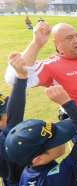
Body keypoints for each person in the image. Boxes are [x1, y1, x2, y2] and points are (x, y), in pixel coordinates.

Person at [5, 19, 77, 186]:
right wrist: (36, 44)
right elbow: (14, 77)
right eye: (70, 38)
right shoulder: (51, 65)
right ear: (57, 45)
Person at [5, 55, 77, 186]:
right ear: (38, 159)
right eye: (56, 141)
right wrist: (66, 102)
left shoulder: (26, 171)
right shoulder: (57, 177)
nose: (64, 140)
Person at [0, 53, 27, 186]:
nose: (10, 111)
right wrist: (21, 77)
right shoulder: (5, 138)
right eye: (7, 111)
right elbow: (16, 111)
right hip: (20, 181)